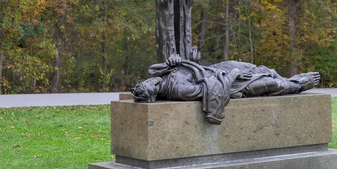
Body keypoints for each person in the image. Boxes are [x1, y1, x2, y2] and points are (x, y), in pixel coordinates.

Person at [131, 55, 321, 124]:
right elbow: (212, 89)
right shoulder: (178, 90)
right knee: (270, 84)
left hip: (218, 69)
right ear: (152, 93)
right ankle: (300, 84)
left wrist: (175, 58)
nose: (146, 82)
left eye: (143, 82)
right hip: (229, 84)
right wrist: (234, 75)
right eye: (145, 87)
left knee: (261, 70)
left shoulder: (160, 74)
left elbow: (181, 61)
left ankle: (289, 79)